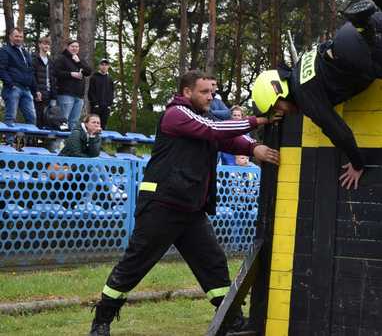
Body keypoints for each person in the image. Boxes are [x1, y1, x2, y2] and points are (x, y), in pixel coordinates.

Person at [88, 70, 280, 336]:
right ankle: (101, 320)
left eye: (212, 92)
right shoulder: (176, 114)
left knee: (213, 264)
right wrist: (257, 120)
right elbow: (214, 130)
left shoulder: (205, 117)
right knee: (134, 265)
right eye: (204, 92)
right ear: (187, 92)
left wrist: (252, 148)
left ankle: (230, 319)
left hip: (191, 210)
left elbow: (226, 136)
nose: (210, 96)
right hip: (162, 206)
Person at [251, 0, 382, 190]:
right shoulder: (299, 66)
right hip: (354, 30)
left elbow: (339, 132)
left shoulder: (305, 96)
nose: (282, 112)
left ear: (278, 92)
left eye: (276, 108)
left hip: (355, 48)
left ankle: (369, 33)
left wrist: (357, 164)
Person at [0, 27, 37, 128]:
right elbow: (1, 69)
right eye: (16, 36)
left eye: (21, 37)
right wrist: (11, 84)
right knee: (10, 118)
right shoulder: (5, 50)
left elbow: (31, 72)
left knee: (32, 118)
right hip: (12, 88)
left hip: (26, 89)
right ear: (10, 37)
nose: (19, 38)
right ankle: (9, 143)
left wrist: (35, 90)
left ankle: (30, 142)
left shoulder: (25, 52)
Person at [55, 39, 92, 130]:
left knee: (74, 122)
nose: (74, 48)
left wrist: (79, 63)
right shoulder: (61, 58)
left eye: (76, 47)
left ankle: (71, 142)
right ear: (68, 47)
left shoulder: (79, 59)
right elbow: (56, 72)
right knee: (64, 120)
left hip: (79, 96)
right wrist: (71, 74)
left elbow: (88, 72)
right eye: (72, 46)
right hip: (66, 94)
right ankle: (59, 143)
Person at [32, 36, 57, 128]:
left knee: (46, 119)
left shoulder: (51, 61)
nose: (46, 46)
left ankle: (43, 141)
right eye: (44, 43)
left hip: (48, 94)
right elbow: (32, 76)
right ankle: (34, 140)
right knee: (36, 118)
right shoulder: (34, 58)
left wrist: (54, 95)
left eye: (48, 44)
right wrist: (36, 91)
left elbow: (53, 79)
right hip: (38, 93)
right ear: (39, 45)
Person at [88, 58, 115, 129]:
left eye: (106, 65)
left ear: (108, 66)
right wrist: (95, 104)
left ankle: (100, 140)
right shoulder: (94, 77)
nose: (104, 66)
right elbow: (91, 92)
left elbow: (111, 93)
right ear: (99, 66)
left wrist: (109, 104)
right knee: (93, 125)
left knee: (103, 126)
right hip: (96, 107)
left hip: (106, 107)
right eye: (102, 64)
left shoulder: (110, 79)